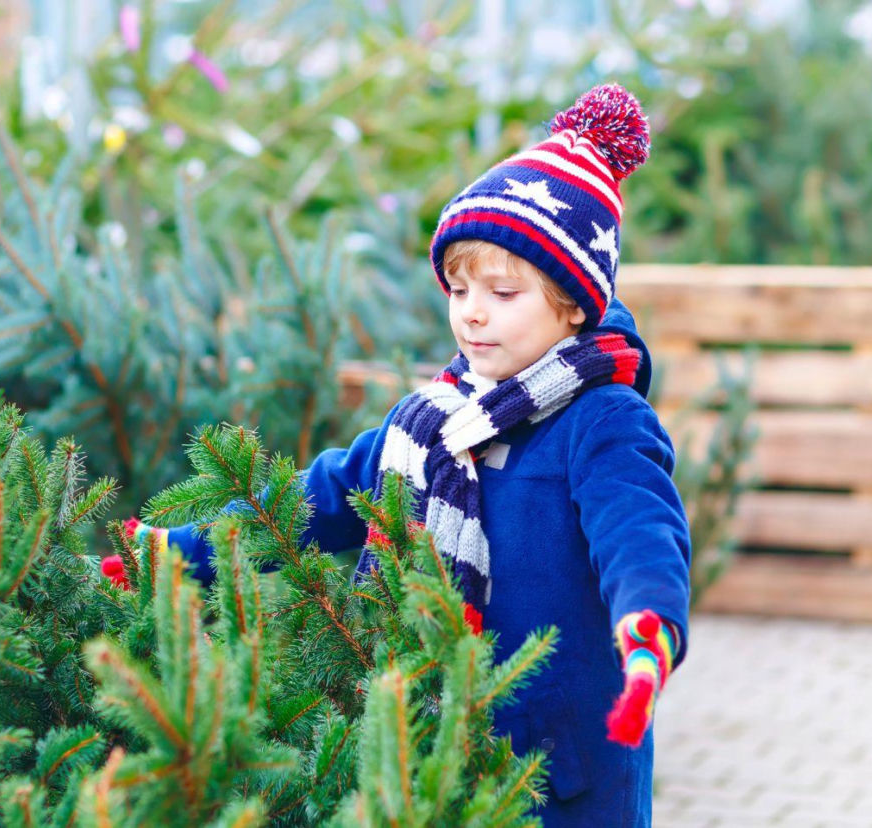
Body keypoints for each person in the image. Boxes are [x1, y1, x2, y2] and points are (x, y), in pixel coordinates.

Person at [103, 83, 690, 827]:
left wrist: (647, 628)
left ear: (574, 304)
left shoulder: (603, 421)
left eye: (504, 292)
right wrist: (176, 557)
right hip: (425, 747)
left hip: (557, 768)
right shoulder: (431, 422)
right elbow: (305, 508)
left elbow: (640, 531)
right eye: (458, 287)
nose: (472, 311)